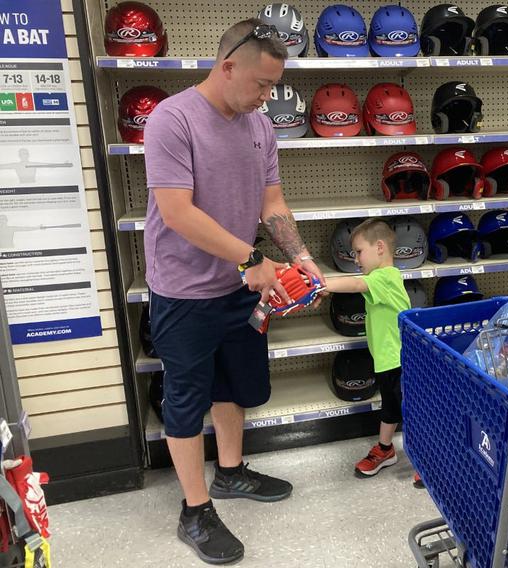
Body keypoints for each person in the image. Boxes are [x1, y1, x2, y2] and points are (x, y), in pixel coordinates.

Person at [143, 19, 325, 564]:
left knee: (234, 387)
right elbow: (177, 212)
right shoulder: (171, 120)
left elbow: (272, 203)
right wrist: (250, 258)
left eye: (274, 86)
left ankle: (229, 473)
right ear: (227, 68)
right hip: (184, 291)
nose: (269, 96)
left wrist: (302, 258)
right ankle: (194, 510)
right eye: (262, 84)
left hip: (242, 288)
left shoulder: (258, 125)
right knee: (185, 397)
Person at [323, 219, 411, 478]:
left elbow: (355, 284)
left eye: (359, 252)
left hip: (399, 360)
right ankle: (386, 449)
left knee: (409, 410)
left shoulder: (386, 276)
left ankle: (425, 457)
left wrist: (320, 284)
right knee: (391, 407)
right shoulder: (381, 278)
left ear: (380, 247)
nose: (356, 259)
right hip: (387, 360)